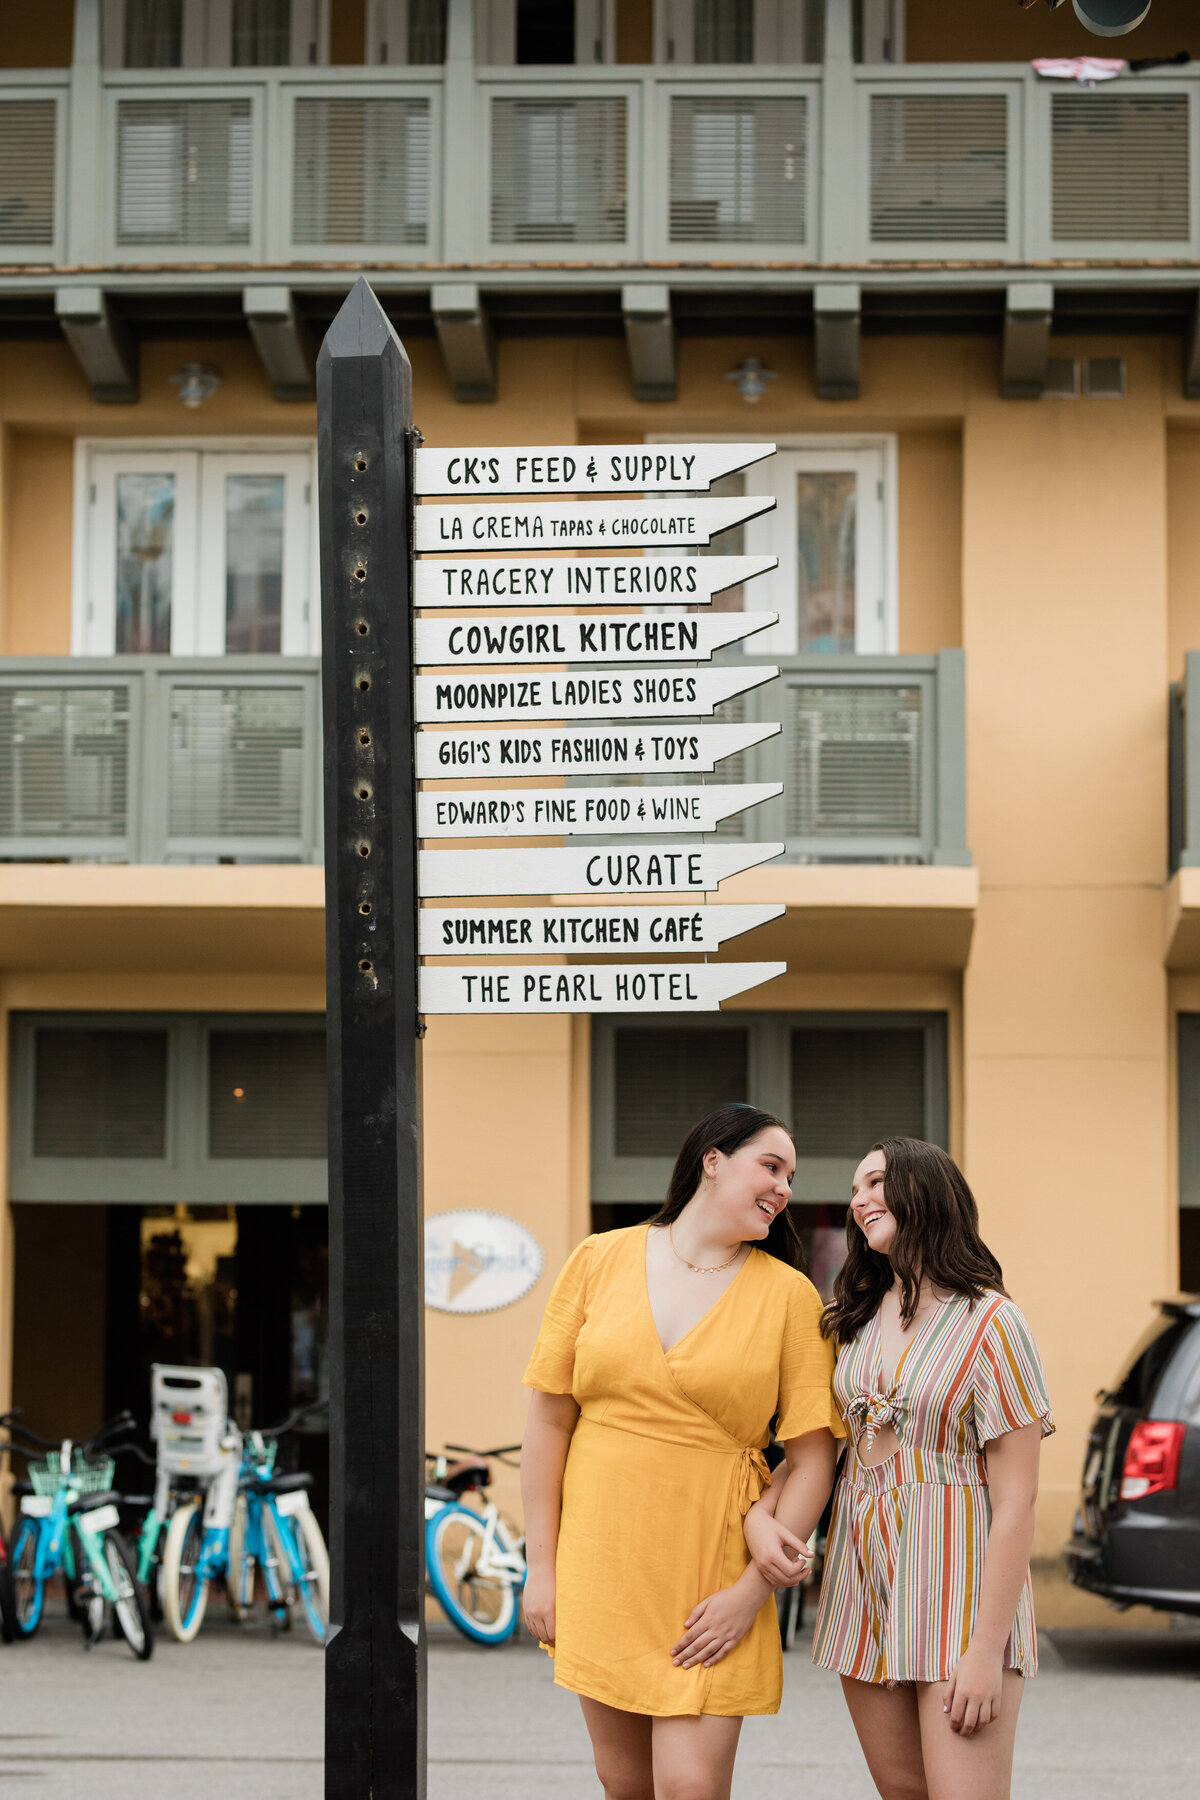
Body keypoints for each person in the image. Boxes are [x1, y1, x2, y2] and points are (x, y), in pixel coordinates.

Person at [520, 1103, 844, 1800]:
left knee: (690, 1787)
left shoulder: (790, 1297)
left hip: (713, 1576)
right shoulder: (596, 1259)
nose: (786, 1187)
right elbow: (548, 1423)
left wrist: (752, 1592)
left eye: (791, 1175)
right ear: (712, 1160)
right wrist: (540, 1567)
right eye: (772, 1165)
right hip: (601, 1565)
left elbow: (815, 1459)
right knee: (623, 1782)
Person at [746, 1137, 1053, 1800]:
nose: (859, 1200)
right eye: (855, 1189)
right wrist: (758, 1514)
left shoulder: (992, 1322)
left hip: (958, 1591)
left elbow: (1019, 1502)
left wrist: (984, 1652)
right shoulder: (849, 1317)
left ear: (926, 1189)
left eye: (876, 1182)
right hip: (864, 1580)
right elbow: (816, 1451)